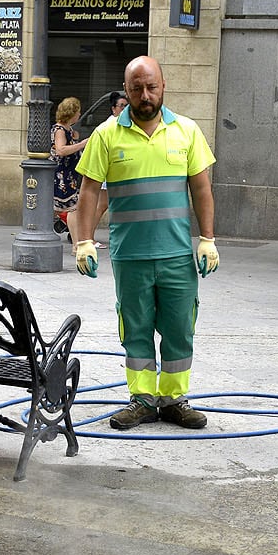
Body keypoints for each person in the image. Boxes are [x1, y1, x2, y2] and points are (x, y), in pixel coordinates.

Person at [72, 55, 219, 431]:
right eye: (136, 88)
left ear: (163, 86)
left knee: (179, 329)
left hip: (176, 256)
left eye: (151, 86)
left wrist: (207, 239)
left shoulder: (187, 131)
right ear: (127, 91)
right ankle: (141, 400)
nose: (145, 94)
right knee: (135, 329)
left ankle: (173, 400)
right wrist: (83, 242)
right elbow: (88, 192)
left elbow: (201, 189)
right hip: (131, 256)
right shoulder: (107, 134)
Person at [50, 98, 88, 239]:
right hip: (62, 176)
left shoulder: (68, 130)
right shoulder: (59, 130)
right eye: (78, 112)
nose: (79, 115)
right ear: (70, 113)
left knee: (71, 208)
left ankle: (72, 238)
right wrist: (82, 144)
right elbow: (61, 150)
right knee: (72, 208)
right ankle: (76, 245)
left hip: (70, 174)